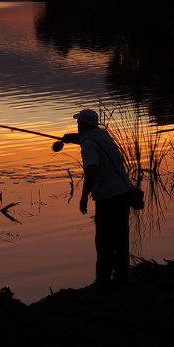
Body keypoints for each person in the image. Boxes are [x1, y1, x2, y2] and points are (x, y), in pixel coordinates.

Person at [61, 108, 139, 289]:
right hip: (123, 194)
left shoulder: (89, 144)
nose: (77, 125)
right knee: (120, 239)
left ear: (83, 125)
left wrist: (83, 197)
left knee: (104, 241)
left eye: (78, 123)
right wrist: (69, 138)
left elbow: (91, 170)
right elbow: (86, 139)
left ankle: (102, 281)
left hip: (108, 198)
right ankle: (121, 278)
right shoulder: (102, 135)